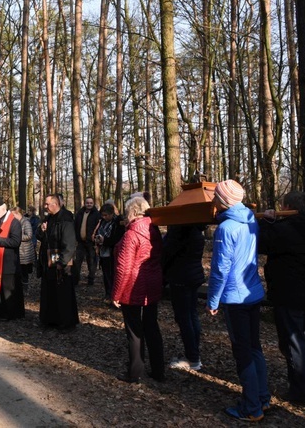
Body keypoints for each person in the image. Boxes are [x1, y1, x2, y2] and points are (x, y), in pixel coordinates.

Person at [258, 191, 305, 407]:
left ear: (289, 206)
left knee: (294, 344)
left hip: (288, 297)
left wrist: (267, 222)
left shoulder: (284, 229)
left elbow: (262, 243)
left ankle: (302, 392)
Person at [206, 179, 269, 422]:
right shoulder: (251, 218)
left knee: (243, 353)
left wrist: (213, 300)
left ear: (222, 201)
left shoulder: (226, 228)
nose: (212, 201)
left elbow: (220, 269)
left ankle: (251, 407)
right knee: (255, 348)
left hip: (236, 298)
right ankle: (262, 397)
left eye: (215, 197)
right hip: (253, 293)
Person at [111, 196, 165, 383]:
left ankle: (135, 372)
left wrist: (116, 294)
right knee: (152, 327)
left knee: (134, 331)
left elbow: (123, 268)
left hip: (133, 287)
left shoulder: (131, 234)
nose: (126, 215)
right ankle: (159, 370)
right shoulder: (154, 230)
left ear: (133, 212)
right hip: (152, 284)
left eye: (127, 211)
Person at [162, 224, 206, 371]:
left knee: (184, 318)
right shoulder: (196, 230)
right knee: (191, 315)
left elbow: (167, 252)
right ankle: (194, 354)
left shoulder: (180, 230)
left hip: (181, 278)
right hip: (193, 277)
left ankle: (193, 357)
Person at [37, 194, 79, 330]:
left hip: (60, 259)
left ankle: (65, 322)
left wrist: (62, 262)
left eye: (47, 204)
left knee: (62, 292)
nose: (45, 207)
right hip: (48, 259)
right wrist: (42, 230)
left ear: (55, 204)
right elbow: (40, 237)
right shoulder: (48, 219)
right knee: (50, 290)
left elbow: (69, 244)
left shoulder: (65, 220)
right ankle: (50, 320)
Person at [0, 199, 25, 320]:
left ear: (3, 208)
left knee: (7, 289)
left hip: (9, 262)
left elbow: (15, 242)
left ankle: (10, 314)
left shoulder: (14, 222)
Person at [92, 202, 124, 304]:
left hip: (113, 253)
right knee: (106, 275)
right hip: (104, 252)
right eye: (103, 215)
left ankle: (115, 296)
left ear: (111, 214)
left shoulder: (118, 222)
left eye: (106, 215)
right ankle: (108, 294)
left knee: (113, 275)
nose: (104, 217)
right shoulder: (102, 222)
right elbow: (97, 232)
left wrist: (105, 240)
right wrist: (98, 239)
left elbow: (118, 238)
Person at [74, 196, 101, 286]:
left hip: (91, 243)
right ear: (84, 203)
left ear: (93, 204)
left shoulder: (97, 214)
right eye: (87, 203)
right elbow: (75, 226)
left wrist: (96, 240)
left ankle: (90, 280)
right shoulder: (80, 213)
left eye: (91, 203)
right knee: (77, 262)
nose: (89, 204)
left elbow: (99, 227)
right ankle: (76, 280)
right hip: (80, 242)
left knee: (91, 262)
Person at [12, 207, 36, 290]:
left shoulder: (26, 222)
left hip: (24, 251)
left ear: (17, 214)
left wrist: (16, 237)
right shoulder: (15, 222)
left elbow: (29, 235)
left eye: (13, 214)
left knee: (24, 270)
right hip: (18, 250)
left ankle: (25, 288)